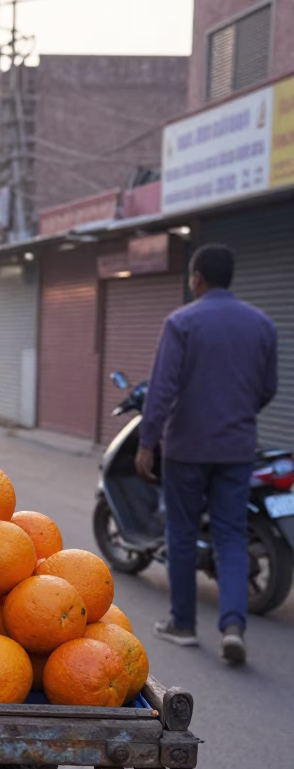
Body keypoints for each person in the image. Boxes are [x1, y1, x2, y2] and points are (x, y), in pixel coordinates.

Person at [137, 245, 278, 666]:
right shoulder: (262, 324)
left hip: (187, 448)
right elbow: (267, 388)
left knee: (180, 532)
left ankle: (183, 624)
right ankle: (233, 624)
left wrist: (147, 442)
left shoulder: (182, 322)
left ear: (197, 277)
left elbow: (161, 390)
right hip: (236, 448)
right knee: (231, 535)